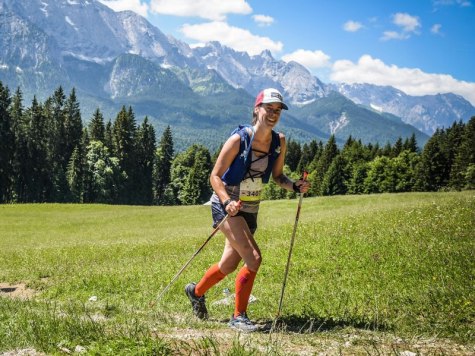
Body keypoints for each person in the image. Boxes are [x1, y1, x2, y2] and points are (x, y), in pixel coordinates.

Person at [185, 88, 310, 332]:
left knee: (228, 265)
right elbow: (215, 176)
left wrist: (294, 185)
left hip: (251, 208)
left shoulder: (278, 142)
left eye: (278, 111)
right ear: (257, 109)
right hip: (227, 207)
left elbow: (277, 176)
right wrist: (226, 201)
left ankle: (196, 292)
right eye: (269, 109)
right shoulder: (239, 139)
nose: (273, 114)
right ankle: (238, 316)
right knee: (253, 258)